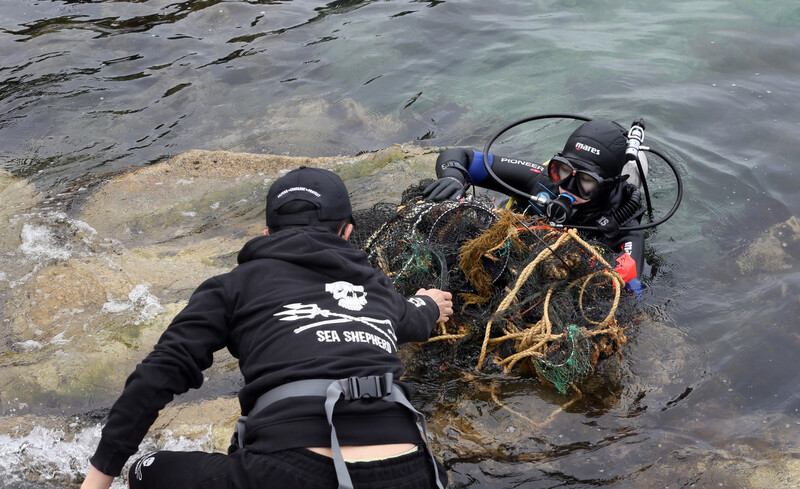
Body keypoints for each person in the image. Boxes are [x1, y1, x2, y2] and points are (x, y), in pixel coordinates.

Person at [81, 166, 453, 489]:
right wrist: (432, 304)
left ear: (266, 234)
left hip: (289, 472)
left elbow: (161, 372)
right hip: (413, 472)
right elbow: (415, 317)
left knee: (146, 471)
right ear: (347, 233)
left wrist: (98, 476)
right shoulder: (376, 287)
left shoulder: (234, 285)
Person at [423, 119, 645, 296]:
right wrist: (453, 177)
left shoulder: (624, 226)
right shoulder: (540, 181)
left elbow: (626, 287)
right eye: (564, 171)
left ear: (608, 186)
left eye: (586, 182)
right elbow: (461, 157)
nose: (567, 188)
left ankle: (636, 162)